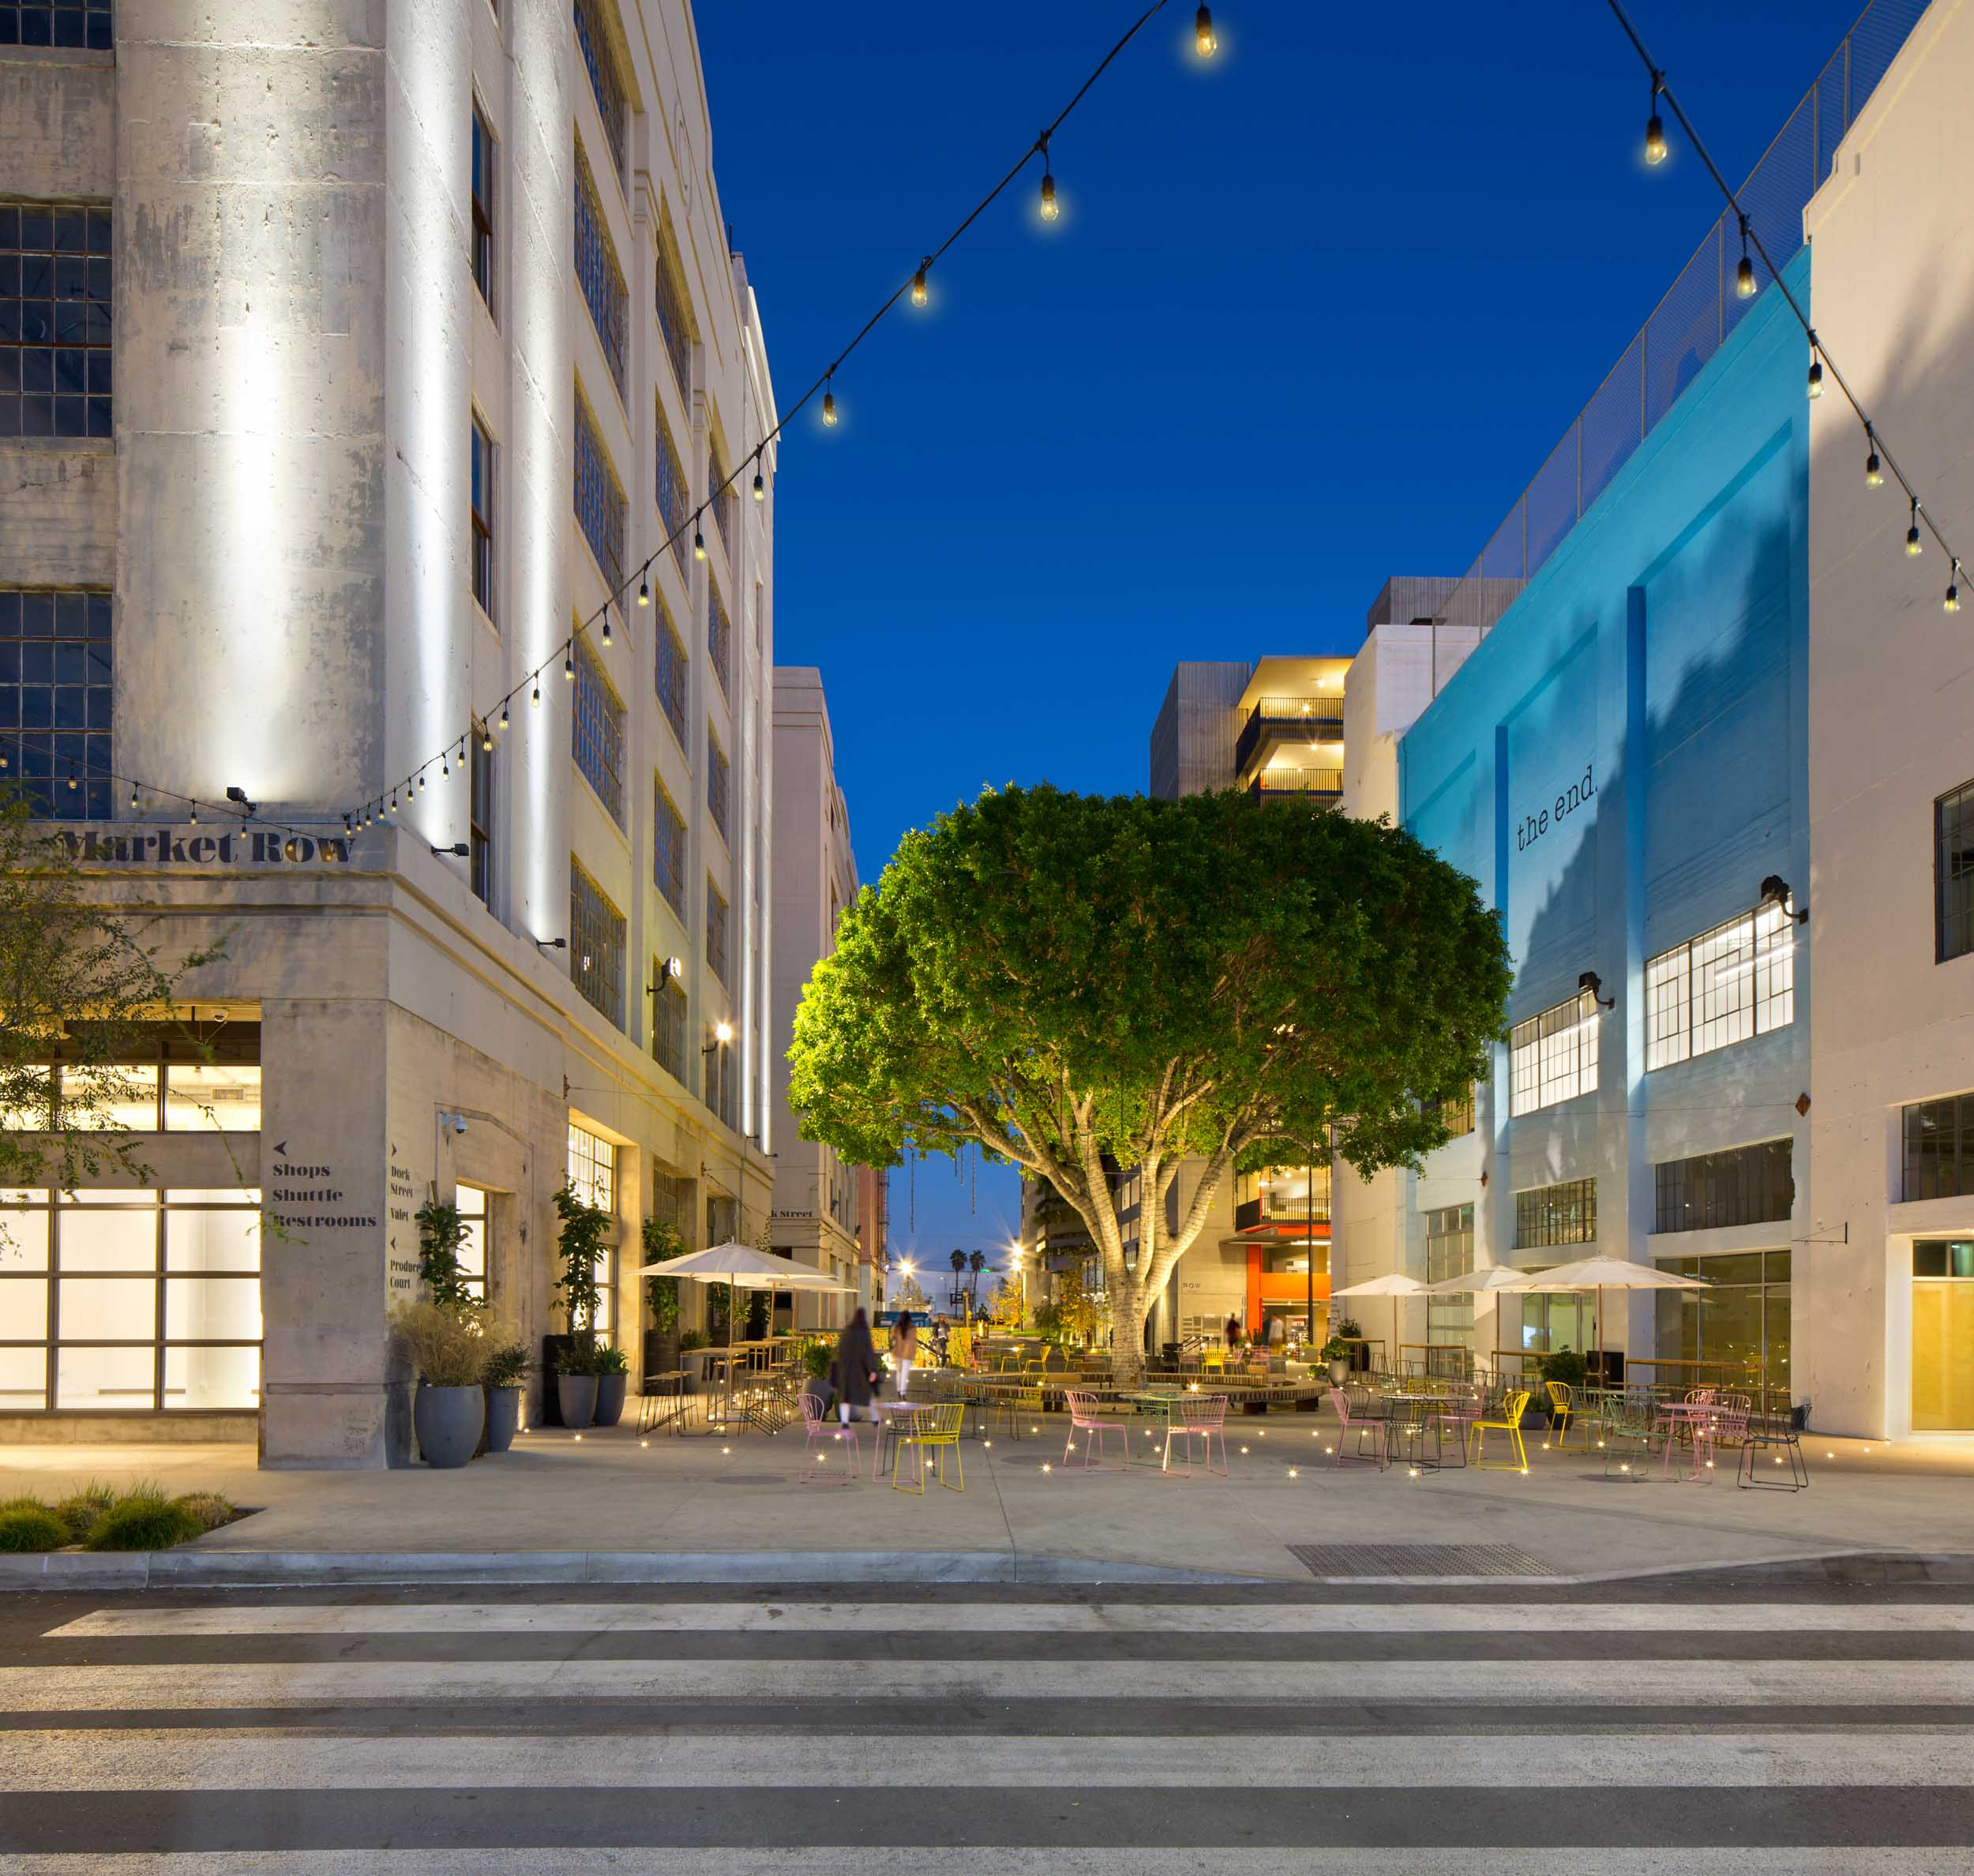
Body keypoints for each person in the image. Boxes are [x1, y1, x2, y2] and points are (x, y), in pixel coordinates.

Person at [832, 1307, 882, 1431]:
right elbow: (868, 1353)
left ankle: (845, 1422)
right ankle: (875, 1419)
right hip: (860, 1370)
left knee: (845, 1397)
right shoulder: (864, 1332)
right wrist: (872, 1370)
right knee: (867, 1395)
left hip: (846, 1370)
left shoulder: (847, 1331)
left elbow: (840, 1350)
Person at [890, 1311, 919, 1400]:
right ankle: (903, 1393)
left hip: (898, 1352)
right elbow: (914, 1341)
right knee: (905, 1374)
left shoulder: (896, 1327)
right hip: (908, 1353)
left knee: (899, 1372)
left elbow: (892, 1337)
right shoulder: (912, 1328)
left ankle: (899, 1390)